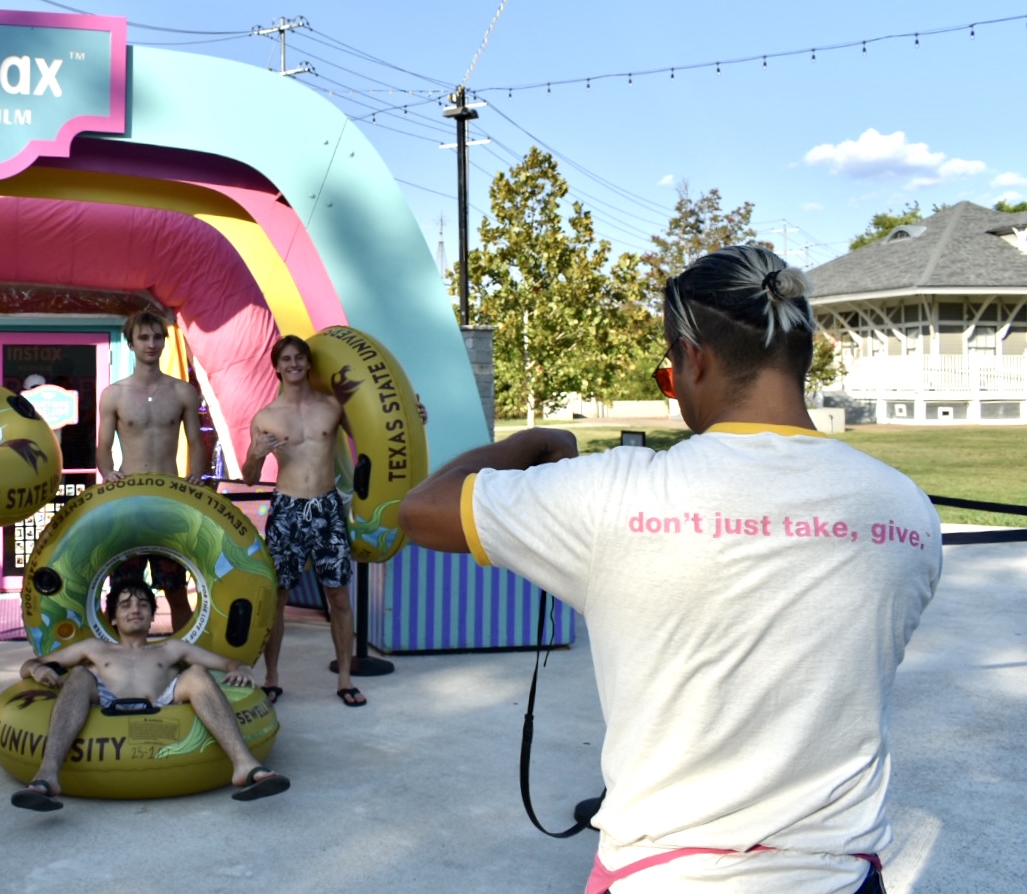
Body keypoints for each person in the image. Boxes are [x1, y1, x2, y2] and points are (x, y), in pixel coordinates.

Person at [399, 246, 940, 894]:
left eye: (668, 372)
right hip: (844, 875)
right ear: (802, 356)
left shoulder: (612, 495)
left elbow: (420, 511)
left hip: (665, 874)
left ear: (693, 357)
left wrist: (530, 443)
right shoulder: (905, 509)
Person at [10, 578, 290, 811]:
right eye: (126, 605)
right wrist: (36, 670)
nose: (135, 610)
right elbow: (30, 664)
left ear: (153, 615)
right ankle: (48, 773)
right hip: (106, 697)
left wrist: (241, 668)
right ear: (113, 618)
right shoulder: (94, 648)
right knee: (80, 675)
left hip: (160, 699)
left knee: (196, 673)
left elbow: (228, 663)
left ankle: (245, 765)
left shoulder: (170, 648)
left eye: (143, 605)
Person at [240, 335, 364, 708]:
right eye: (286, 359)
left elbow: (375, 434)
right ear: (277, 368)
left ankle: (345, 679)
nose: (293, 364)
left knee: (338, 595)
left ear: (308, 363)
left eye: (299, 358)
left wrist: (412, 415)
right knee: (278, 596)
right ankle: (272, 677)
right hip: (288, 509)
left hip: (326, 507)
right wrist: (255, 455)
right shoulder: (266, 417)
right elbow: (249, 477)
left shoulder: (332, 406)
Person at [96, 310, 207, 631]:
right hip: (128, 501)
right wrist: (108, 472)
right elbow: (103, 445)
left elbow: (196, 441)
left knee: (176, 589)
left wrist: (196, 477)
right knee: (122, 590)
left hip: (168, 501)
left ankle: (183, 655)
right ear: (131, 344)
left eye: (157, 337)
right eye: (143, 337)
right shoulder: (114, 394)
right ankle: (117, 657)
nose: (151, 344)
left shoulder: (182, 391)